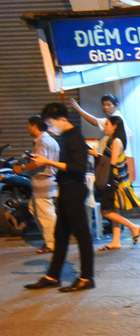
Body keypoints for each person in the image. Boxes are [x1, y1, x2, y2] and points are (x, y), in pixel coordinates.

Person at [24, 102, 95, 292]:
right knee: (60, 235)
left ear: (63, 119)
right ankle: (52, 276)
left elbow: (78, 168)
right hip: (65, 189)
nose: (51, 128)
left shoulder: (74, 137)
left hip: (74, 189)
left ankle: (87, 277)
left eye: (52, 124)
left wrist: (47, 161)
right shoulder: (64, 137)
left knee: (82, 235)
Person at [92, 115, 140, 250]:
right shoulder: (114, 140)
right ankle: (116, 241)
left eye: (107, 124)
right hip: (115, 181)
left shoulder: (115, 142)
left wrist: (96, 155)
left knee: (106, 211)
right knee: (114, 211)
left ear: (114, 126)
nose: (105, 127)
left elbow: (112, 162)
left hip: (112, 181)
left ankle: (133, 227)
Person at [13, 115, 59, 253]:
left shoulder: (42, 141)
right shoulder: (50, 139)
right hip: (48, 180)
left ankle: (52, 243)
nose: (28, 129)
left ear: (34, 126)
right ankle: (50, 239)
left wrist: (22, 168)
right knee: (35, 209)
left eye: (28, 126)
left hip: (43, 181)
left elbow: (40, 162)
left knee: (46, 213)